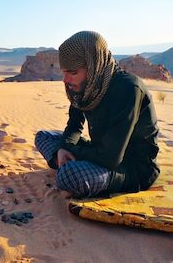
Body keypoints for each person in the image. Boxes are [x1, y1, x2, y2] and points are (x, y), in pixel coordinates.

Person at [35, 31, 160, 198]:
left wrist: (69, 149)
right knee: (44, 137)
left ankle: (72, 167)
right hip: (99, 153)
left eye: (72, 73)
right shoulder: (86, 86)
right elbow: (74, 124)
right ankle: (72, 163)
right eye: (64, 72)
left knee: (69, 176)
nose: (65, 80)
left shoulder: (128, 89)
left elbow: (111, 158)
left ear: (94, 66)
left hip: (130, 168)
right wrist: (64, 148)